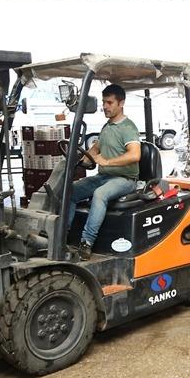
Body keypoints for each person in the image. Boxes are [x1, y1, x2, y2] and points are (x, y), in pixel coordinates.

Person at [67, 83, 140, 261]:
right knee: (70, 191)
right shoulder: (107, 126)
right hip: (104, 176)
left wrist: (107, 161)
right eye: (103, 102)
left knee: (99, 195)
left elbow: (135, 155)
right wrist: (81, 160)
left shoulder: (128, 128)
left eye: (109, 103)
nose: (105, 107)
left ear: (121, 103)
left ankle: (87, 242)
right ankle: (64, 234)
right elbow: (96, 148)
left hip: (125, 179)